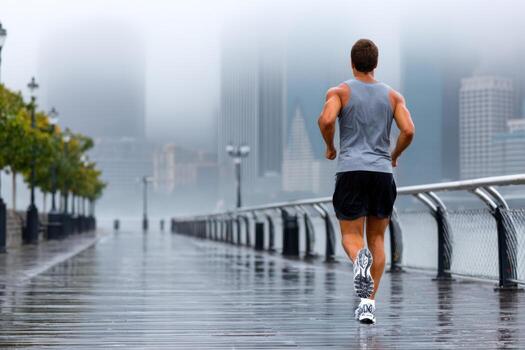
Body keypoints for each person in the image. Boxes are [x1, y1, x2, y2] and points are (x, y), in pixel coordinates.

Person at [317, 39, 415, 324]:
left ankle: (359, 259)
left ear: (352, 63)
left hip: (351, 171)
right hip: (382, 172)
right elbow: (408, 130)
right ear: (376, 64)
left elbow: (325, 120)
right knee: (377, 239)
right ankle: (368, 305)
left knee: (351, 236)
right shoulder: (394, 97)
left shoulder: (340, 92)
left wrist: (330, 146)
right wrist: (394, 154)